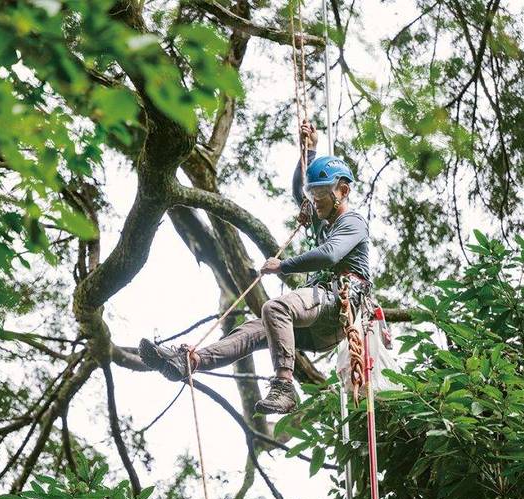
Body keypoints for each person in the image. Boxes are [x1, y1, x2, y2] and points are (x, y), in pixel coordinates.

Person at [139, 120, 370, 414]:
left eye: (320, 194)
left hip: (339, 302)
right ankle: (190, 361)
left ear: (342, 190)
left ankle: (284, 388)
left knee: (276, 308)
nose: (313, 201)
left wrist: (283, 266)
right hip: (319, 319)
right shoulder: (323, 220)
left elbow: (329, 255)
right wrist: (308, 151)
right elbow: (299, 191)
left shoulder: (352, 222)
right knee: (252, 330)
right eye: (313, 195)